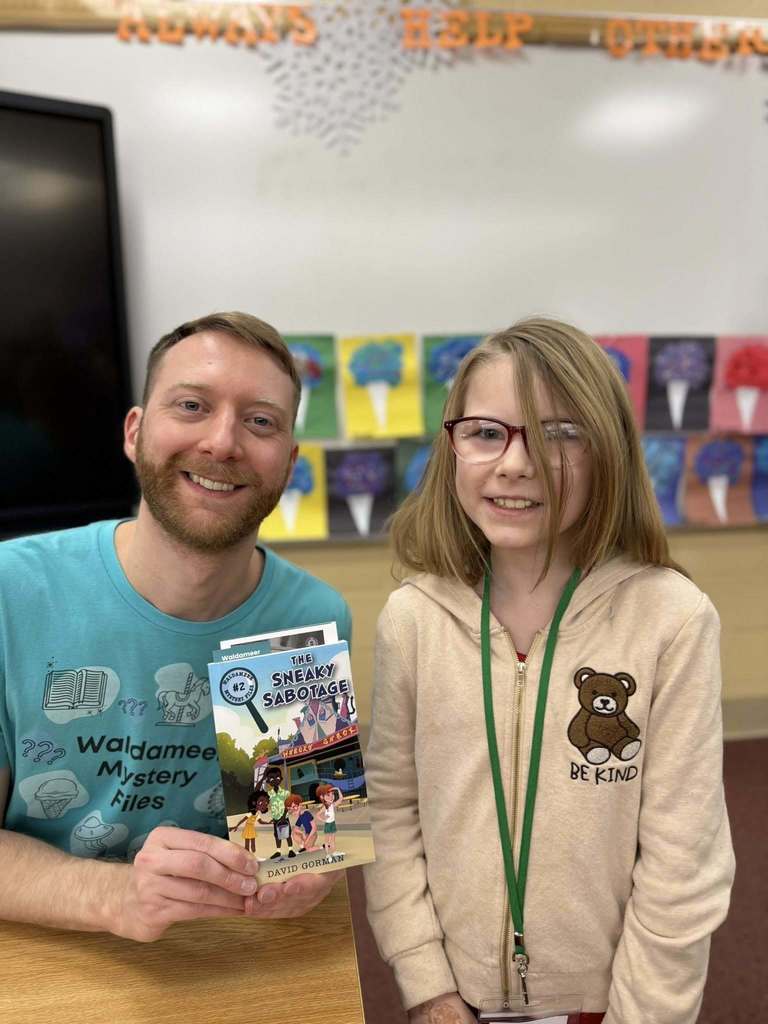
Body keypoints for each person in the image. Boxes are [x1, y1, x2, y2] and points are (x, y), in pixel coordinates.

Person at [363, 319, 735, 1024]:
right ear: (451, 448)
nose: (514, 463)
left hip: (608, 1001)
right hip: (456, 998)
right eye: (484, 432)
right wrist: (425, 984)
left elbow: (684, 859)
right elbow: (390, 808)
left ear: (610, 453)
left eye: (559, 433)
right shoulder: (411, 619)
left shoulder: (672, 618)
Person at [0, 311, 351, 942]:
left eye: (261, 421)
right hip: (39, 956)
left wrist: (308, 868)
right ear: (134, 432)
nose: (223, 442)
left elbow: (299, 845)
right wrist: (114, 896)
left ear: (289, 461)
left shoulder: (309, 619)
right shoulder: (11, 591)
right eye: (192, 405)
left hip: (224, 958)